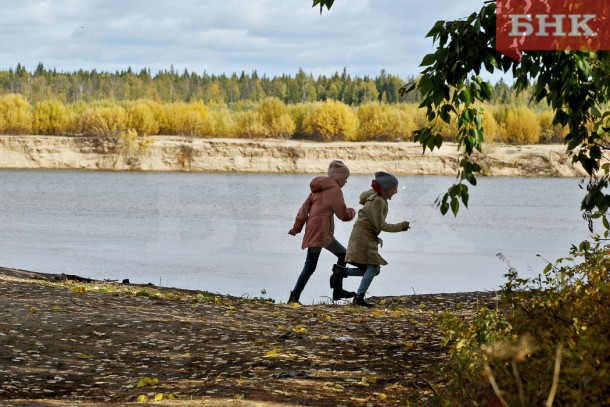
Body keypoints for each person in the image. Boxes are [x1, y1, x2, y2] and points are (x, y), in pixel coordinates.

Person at [330, 171, 410, 307]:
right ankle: (359, 297)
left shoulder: (378, 198)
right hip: (363, 237)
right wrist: (400, 226)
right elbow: (380, 225)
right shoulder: (378, 200)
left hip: (364, 235)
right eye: (394, 188)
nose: (396, 191)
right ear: (386, 187)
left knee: (374, 269)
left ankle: (341, 271)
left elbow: (375, 224)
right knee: (373, 267)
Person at [287, 160, 357, 304]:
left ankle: (295, 297)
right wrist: (353, 211)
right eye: (345, 179)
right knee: (343, 255)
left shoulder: (316, 190)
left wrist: (296, 228)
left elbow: (303, 211)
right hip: (322, 232)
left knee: (311, 264)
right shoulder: (335, 190)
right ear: (338, 178)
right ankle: (337, 290)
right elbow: (343, 216)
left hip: (313, 230)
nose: (346, 182)